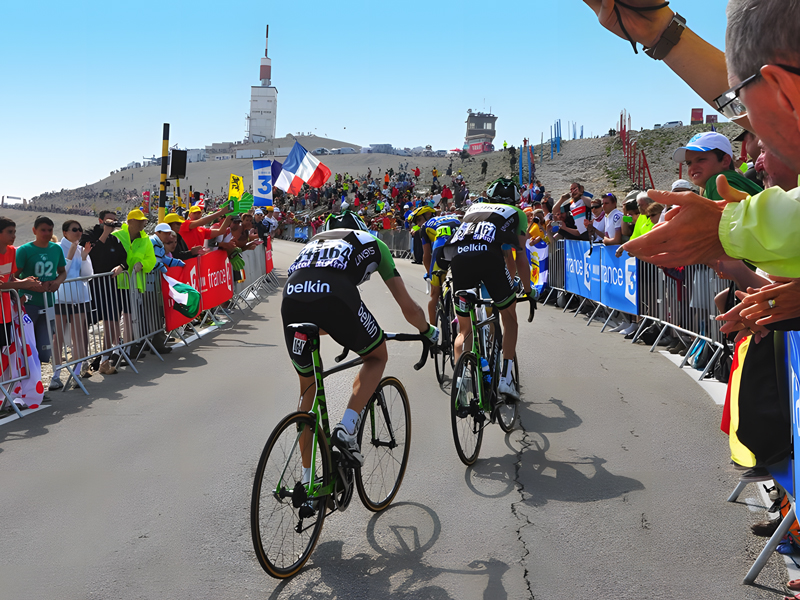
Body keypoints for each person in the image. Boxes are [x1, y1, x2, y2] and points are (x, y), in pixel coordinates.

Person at [281, 216, 437, 471]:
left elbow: (313, 299)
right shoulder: (374, 243)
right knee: (377, 356)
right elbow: (409, 307)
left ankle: (308, 480)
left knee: (307, 389)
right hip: (336, 295)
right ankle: (347, 428)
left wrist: (336, 329)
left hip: (292, 297)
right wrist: (427, 330)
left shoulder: (315, 241)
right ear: (361, 229)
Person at [444, 178, 531, 400]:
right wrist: (528, 291)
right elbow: (518, 256)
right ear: (515, 199)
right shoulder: (516, 213)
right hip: (489, 259)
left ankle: (462, 386)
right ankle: (506, 380)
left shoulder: (474, 207)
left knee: (464, 329)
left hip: (458, 257)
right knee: (509, 318)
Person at [80, 210, 128, 374]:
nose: (112, 224)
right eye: (109, 221)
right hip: (91, 288)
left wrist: (121, 267)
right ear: (100, 220)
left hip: (110, 287)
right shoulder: (88, 235)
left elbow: (124, 258)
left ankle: (105, 361)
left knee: (111, 323)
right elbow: (90, 255)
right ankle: (83, 364)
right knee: (84, 326)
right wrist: (104, 234)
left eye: (115, 221)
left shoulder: (115, 239)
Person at [15, 216, 67, 368]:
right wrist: (29, 285)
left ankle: (37, 385)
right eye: (43, 230)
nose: (46, 233)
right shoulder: (24, 250)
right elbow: (14, 276)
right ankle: (27, 386)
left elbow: (62, 272)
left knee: (44, 350)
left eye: (49, 230)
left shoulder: (56, 249)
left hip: (48, 303)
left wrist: (57, 282)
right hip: (28, 305)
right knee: (26, 347)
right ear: (34, 231)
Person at [50, 220, 94, 388]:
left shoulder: (82, 249)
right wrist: (70, 255)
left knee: (78, 335)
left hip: (80, 298)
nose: (79, 232)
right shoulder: (58, 249)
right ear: (65, 232)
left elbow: (88, 275)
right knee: (58, 337)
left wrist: (83, 258)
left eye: (80, 229)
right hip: (61, 298)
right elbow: (59, 274)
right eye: (75, 229)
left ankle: (77, 371)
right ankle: (56, 374)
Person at [407, 206, 461, 322]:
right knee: (461, 288)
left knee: (434, 294)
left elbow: (426, 255)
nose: (418, 224)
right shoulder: (452, 218)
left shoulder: (425, 227)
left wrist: (429, 274)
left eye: (418, 221)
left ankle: (433, 333)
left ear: (425, 216)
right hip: (460, 248)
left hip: (441, 249)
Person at [112, 210, 157, 347]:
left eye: (143, 221)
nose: (142, 224)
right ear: (130, 222)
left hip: (134, 284)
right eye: (138, 221)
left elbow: (151, 259)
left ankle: (127, 347)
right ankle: (115, 348)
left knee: (130, 317)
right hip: (115, 283)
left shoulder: (145, 240)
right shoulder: (116, 235)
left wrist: (142, 264)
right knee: (114, 318)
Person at [0, 217, 43, 351]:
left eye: (14, 232)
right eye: (9, 232)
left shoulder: (12, 251)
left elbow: (11, 279)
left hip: (6, 311)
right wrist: (23, 284)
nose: (14, 236)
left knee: (4, 348)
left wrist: (28, 283)